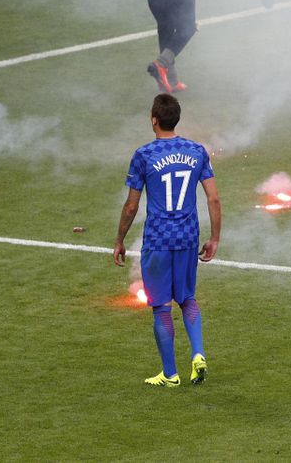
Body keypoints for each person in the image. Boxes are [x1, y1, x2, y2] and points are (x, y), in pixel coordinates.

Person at [114, 94, 222, 387]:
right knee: (187, 299)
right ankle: (198, 353)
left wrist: (120, 239)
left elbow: (131, 206)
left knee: (162, 306)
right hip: (188, 238)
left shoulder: (144, 155)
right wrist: (214, 238)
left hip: (159, 241)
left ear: (153, 119)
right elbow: (212, 197)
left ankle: (170, 374)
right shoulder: (197, 151)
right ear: (177, 119)